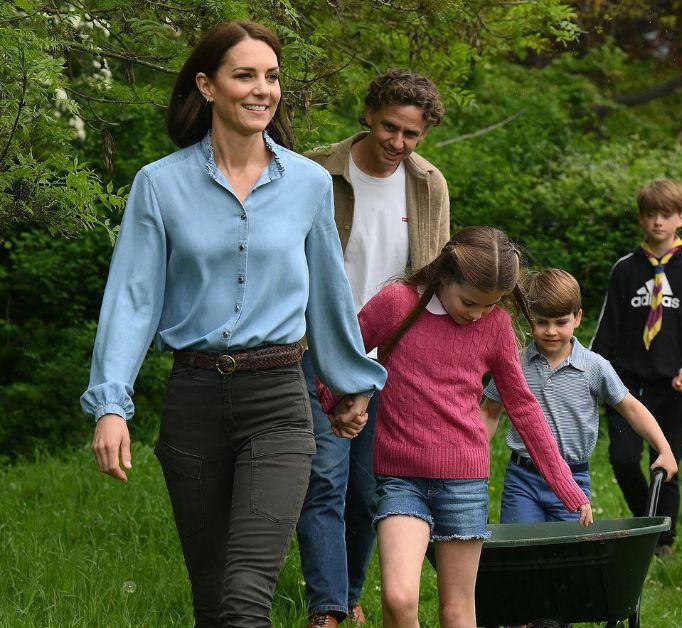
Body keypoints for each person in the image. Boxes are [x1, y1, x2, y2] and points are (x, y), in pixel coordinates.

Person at [82, 20, 386, 627]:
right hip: (191, 401)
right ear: (208, 85)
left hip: (277, 400)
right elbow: (134, 299)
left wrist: (348, 379)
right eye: (244, 75)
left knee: (248, 592)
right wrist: (112, 404)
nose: (262, 89)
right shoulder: (160, 185)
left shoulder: (306, 183)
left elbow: (327, 291)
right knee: (214, 601)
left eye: (271, 76)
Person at [318, 227, 591, 628]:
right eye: (469, 302)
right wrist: (336, 403)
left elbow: (523, 407)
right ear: (444, 276)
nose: (477, 313)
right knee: (397, 598)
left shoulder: (495, 325)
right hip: (400, 478)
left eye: (490, 304)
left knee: (458, 611)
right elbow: (341, 352)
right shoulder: (397, 304)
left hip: (464, 483)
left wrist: (566, 485)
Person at [298, 68, 450, 628]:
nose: (398, 143)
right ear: (368, 114)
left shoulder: (429, 184)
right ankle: (327, 609)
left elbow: (430, 277)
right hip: (317, 344)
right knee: (324, 477)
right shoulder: (315, 171)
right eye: (390, 127)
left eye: (412, 135)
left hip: (391, 358)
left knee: (370, 490)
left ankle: (352, 591)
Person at [480, 269, 678, 524]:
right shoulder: (513, 363)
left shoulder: (594, 367)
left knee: (566, 555)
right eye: (541, 322)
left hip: (573, 478)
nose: (551, 331)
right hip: (523, 479)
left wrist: (663, 448)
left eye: (560, 322)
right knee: (523, 551)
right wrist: (469, 458)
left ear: (577, 318)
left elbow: (631, 408)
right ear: (528, 320)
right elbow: (488, 412)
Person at [591, 179, 682, 556]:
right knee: (624, 458)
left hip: (676, 387)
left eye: (666, 215)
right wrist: (593, 371)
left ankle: (662, 540)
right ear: (641, 218)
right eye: (650, 215)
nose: (658, 223)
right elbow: (606, 326)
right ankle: (648, 519)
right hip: (627, 386)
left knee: (666, 465)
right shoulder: (625, 269)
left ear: (681, 218)